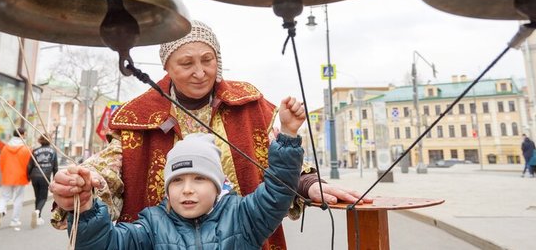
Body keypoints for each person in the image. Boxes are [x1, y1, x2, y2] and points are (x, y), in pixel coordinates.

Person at [50, 20, 370, 249]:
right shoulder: (139, 115)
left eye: (208, 60)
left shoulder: (249, 102)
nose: (200, 72)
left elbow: (277, 165)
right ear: (168, 68)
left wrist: (309, 185)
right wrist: (84, 185)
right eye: (186, 63)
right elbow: (109, 169)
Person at [68, 95, 305, 249]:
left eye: (200, 178)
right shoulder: (151, 226)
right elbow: (103, 244)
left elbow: (278, 192)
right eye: (177, 180)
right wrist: (86, 210)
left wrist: (288, 135)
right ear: (167, 187)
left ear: (218, 185)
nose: (187, 189)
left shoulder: (243, 217)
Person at [0, 127, 31, 231]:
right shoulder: (25, 149)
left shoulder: (5, 148)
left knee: (4, 197)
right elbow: (29, 164)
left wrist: (4, 172)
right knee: (18, 198)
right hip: (20, 176)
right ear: (22, 135)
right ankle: (14, 221)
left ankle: (0, 211)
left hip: (7, 175)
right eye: (25, 134)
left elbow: (1, 162)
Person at [27, 134, 58, 228]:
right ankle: (37, 212)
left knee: (37, 196)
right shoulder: (53, 151)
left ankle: (38, 216)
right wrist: (55, 179)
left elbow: (29, 165)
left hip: (34, 175)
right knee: (43, 197)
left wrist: (28, 176)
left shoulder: (35, 151)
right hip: (45, 176)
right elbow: (55, 167)